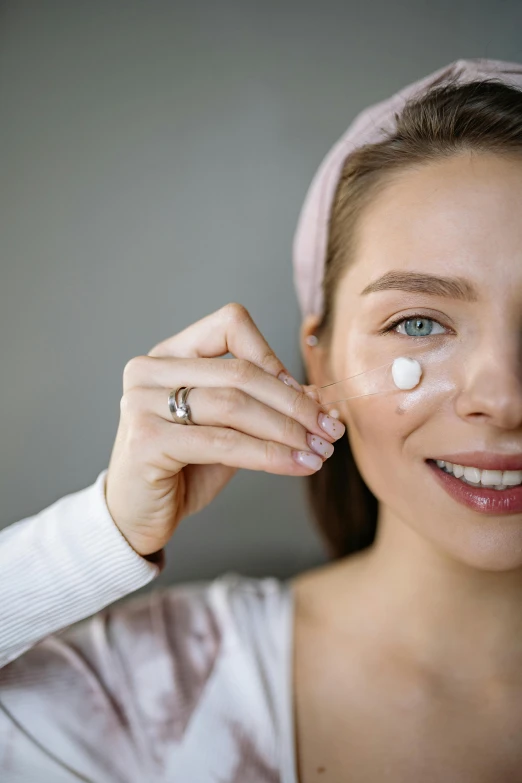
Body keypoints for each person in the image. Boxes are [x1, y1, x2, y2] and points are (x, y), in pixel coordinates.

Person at [1, 57, 522, 782]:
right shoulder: (161, 686)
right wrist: (103, 530)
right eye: (416, 324)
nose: (503, 399)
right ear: (321, 362)